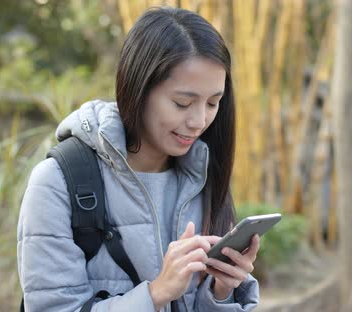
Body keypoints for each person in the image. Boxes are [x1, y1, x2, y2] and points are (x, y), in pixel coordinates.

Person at [17, 7, 259, 312]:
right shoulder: (56, 182)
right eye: (182, 103)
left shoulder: (203, 177)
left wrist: (221, 290)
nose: (199, 121)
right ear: (137, 89)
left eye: (213, 103)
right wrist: (156, 293)